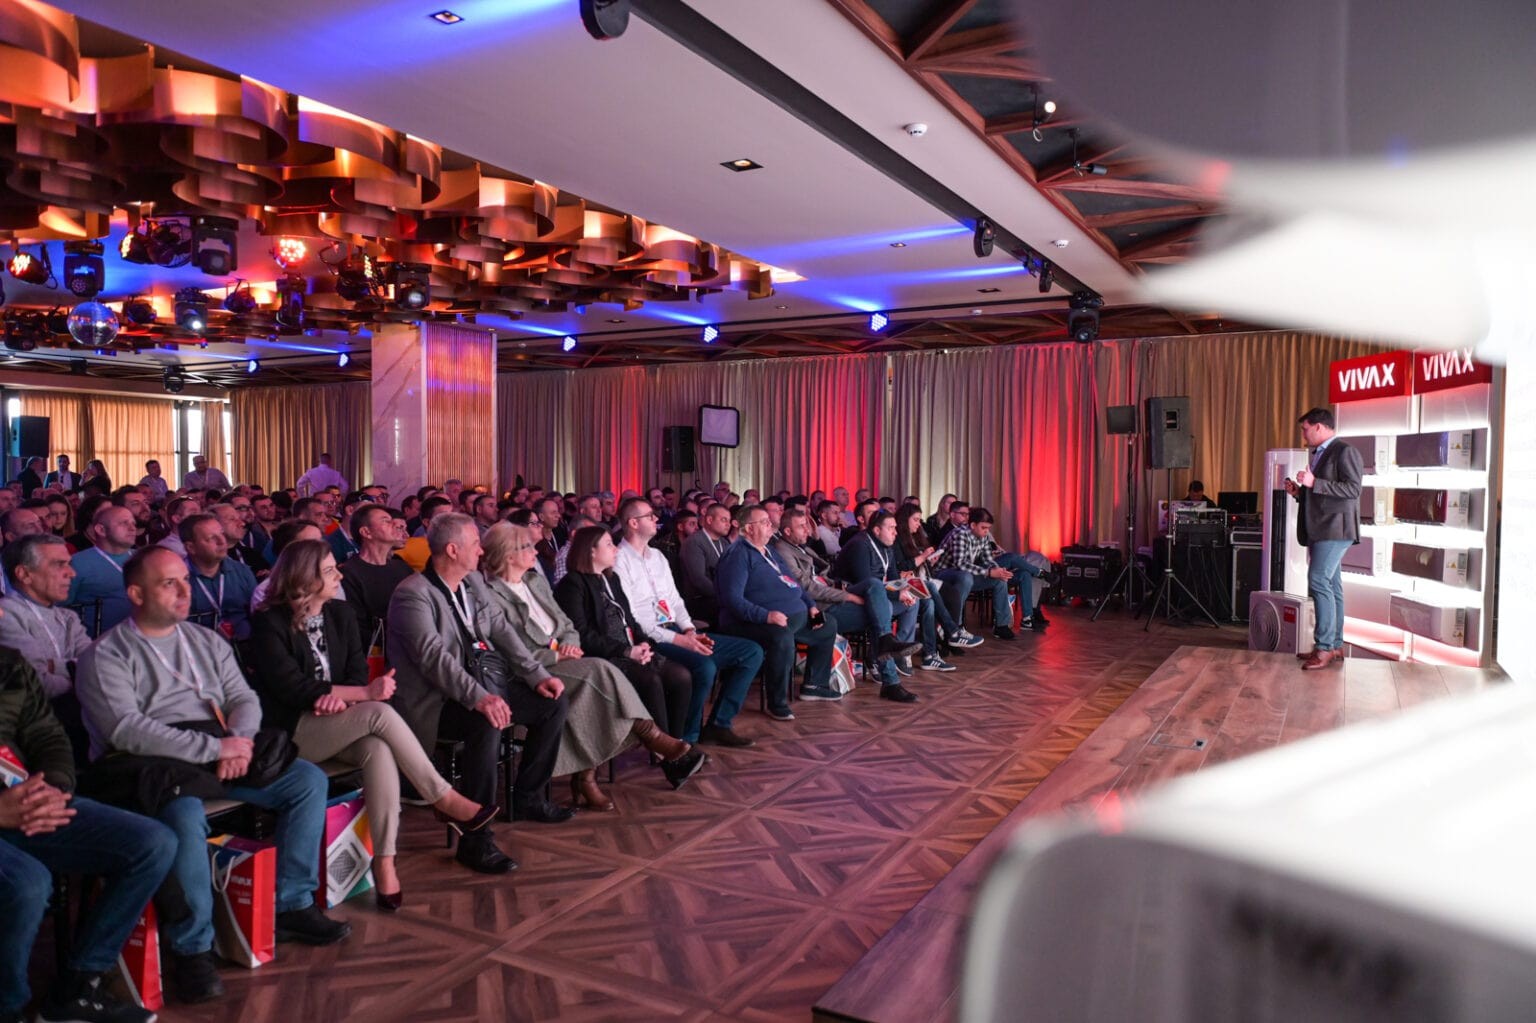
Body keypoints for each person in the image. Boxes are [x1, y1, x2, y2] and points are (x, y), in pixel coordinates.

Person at [75, 547, 350, 1005]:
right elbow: (126, 730)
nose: (185, 591)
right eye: (169, 583)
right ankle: (193, 949)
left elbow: (243, 697)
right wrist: (214, 749)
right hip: (150, 765)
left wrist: (239, 741)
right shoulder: (106, 654)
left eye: (186, 580)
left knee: (305, 781)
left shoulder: (204, 641)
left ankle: (291, 903)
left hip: (219, 749)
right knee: (183, 815)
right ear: (136, 594)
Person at [246, 540, 494, 909]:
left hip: (340, 720)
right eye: (328, 570)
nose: (338, 575)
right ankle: (441, 797)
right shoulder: (269, 622)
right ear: (303, 578)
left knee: (377, 749)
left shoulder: (341, 614)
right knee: (378, 712)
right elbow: (290, 687)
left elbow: (356, 672)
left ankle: (385, 862)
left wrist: (345, 697)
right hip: (291, 731)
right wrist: (358, 694)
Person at [387, 514, 572, 874]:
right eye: (475, 543)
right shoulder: (413, 594)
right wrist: (480, 699)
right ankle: (476, 839)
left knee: (551, 703)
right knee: (485, 722)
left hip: (484, 683)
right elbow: (434, 660)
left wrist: (536, 675)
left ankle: (528, 796)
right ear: (452, 550)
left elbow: (501, 630)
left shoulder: (472, 581)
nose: (482, 550)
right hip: (437, 701)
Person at [0, 645, 176, 1023]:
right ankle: (7, 1009)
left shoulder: (9, 664)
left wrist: (54, 788)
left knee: (152, 843)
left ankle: (77, 987)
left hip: (27, 799)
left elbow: (47, 735)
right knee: (27, 883)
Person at [481, 523, 704, 811]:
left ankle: (587, 777)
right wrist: (557, 656)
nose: (535, 551)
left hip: (570, 658)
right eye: (527, 547)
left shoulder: (534, 582)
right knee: (602, 671)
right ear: (508, 555)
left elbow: (567, 625)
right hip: (533, 670)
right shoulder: (492, 594)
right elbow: (513, 647)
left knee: (603, 686)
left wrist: (569, 645)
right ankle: (653, 738)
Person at [611, 499, 762, 747]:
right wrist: (681, 640)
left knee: (751, 652)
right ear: (633, 523)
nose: (656, 519)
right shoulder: (620, 560)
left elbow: (675, 600)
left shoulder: (657, 556)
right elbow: (634, 619)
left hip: (676, 630)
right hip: (650, 639)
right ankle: (686, 739)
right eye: (649, 516)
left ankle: (719, 724)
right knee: (704, 667)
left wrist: (689, 629)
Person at [551, 526, 694, 747]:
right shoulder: (572, 584)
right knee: (651, 680)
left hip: (631, 649)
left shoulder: (611, 579)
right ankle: (665, 752)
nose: (616, 549)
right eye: (609, 544)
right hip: (606, 657)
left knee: (681, 676)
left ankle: (676, 742)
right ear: (591, 551)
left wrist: (644, 644)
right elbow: (582, 635)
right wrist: (627, 651)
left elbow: (630, 620)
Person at [715, 504, 839, 717]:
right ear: (748, 528)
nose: (771, 525)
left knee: (827, 625)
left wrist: (810, 605)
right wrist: (766, 616)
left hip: (793, 616)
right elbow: (732, 600)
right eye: (764, 522)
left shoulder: (770, 551)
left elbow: (792, 583)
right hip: (750, 621)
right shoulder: (738, 555)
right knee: (781, 637)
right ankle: (777, 702)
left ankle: (814, 685)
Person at [1285, 407, 1363, 670]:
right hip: (1323, 528)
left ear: (1319, 427)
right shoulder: (1319, 453)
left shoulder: (1344, 451)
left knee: (1318, 581)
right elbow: (1324, 494)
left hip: (1335, 529)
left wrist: (1313, 482)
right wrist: (1300, 492)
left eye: (1305, 429)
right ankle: (1335, 645)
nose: (1303, 434)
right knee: (1332, 585)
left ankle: (1324, 647)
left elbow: (1353, 489)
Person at [0, 534, 94, 751]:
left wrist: (54, 666)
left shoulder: (68, 618)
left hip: (74, 721)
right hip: (32, 735)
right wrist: (77, 672)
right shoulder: (6, 616)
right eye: (59, 564)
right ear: (24, 574)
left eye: (69, 563)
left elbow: (97, 668)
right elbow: (38, 685)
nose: (72, 573)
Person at [830, 511, 923, 702]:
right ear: (877, 530)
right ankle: (888, 665)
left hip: (876, 598)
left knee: (913, 601)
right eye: (891, 528)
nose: (895, 532)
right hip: (848, 598)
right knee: (881, 605)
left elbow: (894, 579)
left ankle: (896, 651)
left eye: (895, 528)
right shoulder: (859, 545)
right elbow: (865, 584)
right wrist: (896, 594)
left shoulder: (887, 545)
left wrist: (904, 590)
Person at [894, 502, 961, 669]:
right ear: (904, 520)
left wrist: (930, 561)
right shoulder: (897, 539)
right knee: (930, 591)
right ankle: (950, 633)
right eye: (915, 520)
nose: (919, 523)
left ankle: (932, 653)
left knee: (936, 599)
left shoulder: (917, 537)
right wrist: (923, 557)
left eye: (919, 519)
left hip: (919, 581)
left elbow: (921, 568)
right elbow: (902, 568)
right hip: (906, 583)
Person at [933, 507, 1015, 641]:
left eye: (988, 528)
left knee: (999, 579)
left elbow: (988, 559)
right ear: (972, 525)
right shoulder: (960, 534)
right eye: (984, 527)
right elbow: (960, 564)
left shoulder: (983, 536)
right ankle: (956, 627)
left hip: (965, 575)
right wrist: (988, 572)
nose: (987, 531)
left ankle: (1001, 626)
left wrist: (998, 571)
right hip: (943, 575)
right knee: (965, 577)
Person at [339, 503, 414, 642]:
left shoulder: (402, 568)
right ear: (366, 532)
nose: (394, 525)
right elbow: (358, 628)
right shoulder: (348, 574)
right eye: (386, 521)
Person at [182, 513, 258, 641]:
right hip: (197, 647)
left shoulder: (242, 572)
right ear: (191, 547)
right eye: (212, 538)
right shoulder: (178, 579)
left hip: (244, 646)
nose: (222, 541)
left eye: (222, 534)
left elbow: (258, 615)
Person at [65, 504, 137, 636]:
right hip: (95, 642)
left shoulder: (143, 558)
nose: (132, 528)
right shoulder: (77, 563)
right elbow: (60, 608)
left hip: (141, 640)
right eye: (124, 523)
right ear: (101, 530)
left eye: (133, 523)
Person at [679, 503, 731, 623]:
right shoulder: (694, 542)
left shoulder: (725, 543)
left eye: (729, 521)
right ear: (709, 520)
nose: (728, 524)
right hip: (700, 601)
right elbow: (698, 580)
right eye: (724, 520)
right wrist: (725, 596)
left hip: (721, 597)